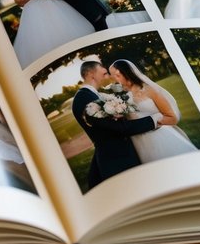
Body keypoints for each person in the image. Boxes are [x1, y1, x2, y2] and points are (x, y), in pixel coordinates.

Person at [71, 59, 172, 187]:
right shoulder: (84, 98)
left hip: (122, 154)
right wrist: (153, 120)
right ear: (91, 74)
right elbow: (117, 127)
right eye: (103, 72)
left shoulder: (93, 95)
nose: (107, 74)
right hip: (116, 159)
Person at [108, 59, 195, 161]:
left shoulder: (149, 90)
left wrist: (151, 122)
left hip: (161, 138)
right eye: (112, 76)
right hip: (138, 143)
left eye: (117, 75)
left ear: (127, 73)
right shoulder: (120, 97)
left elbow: (172, 118)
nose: (115, 79)